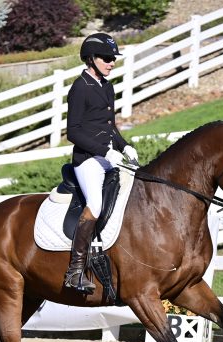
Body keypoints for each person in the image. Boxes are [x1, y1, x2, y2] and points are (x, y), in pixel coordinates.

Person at [63, 32, 139, 295]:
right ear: (91, 59)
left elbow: (110, 127)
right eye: (107, 58)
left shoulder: (106, 86)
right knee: (94, 205)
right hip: (87, 160)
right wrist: (105, 153)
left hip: (107, 156)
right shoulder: (79, 87)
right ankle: (75, 270)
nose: (111, 62)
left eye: (113, 58)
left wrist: (123, 145)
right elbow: (73, 132)